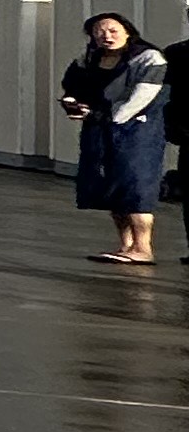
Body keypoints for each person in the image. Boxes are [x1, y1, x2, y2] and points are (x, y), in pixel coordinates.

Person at [60, 13, 165, 265]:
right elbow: (72, 84)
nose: (106, 36)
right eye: (99, 31)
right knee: (112, 187)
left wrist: (99, 114)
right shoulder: (88, 58)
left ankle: (143, 248)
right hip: (100, 131)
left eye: (113, 30)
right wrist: (73, 103)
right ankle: (125, 245)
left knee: (136, 187)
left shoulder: (148, 58)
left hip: (137, 133)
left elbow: (139, 100)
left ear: (128, 31)